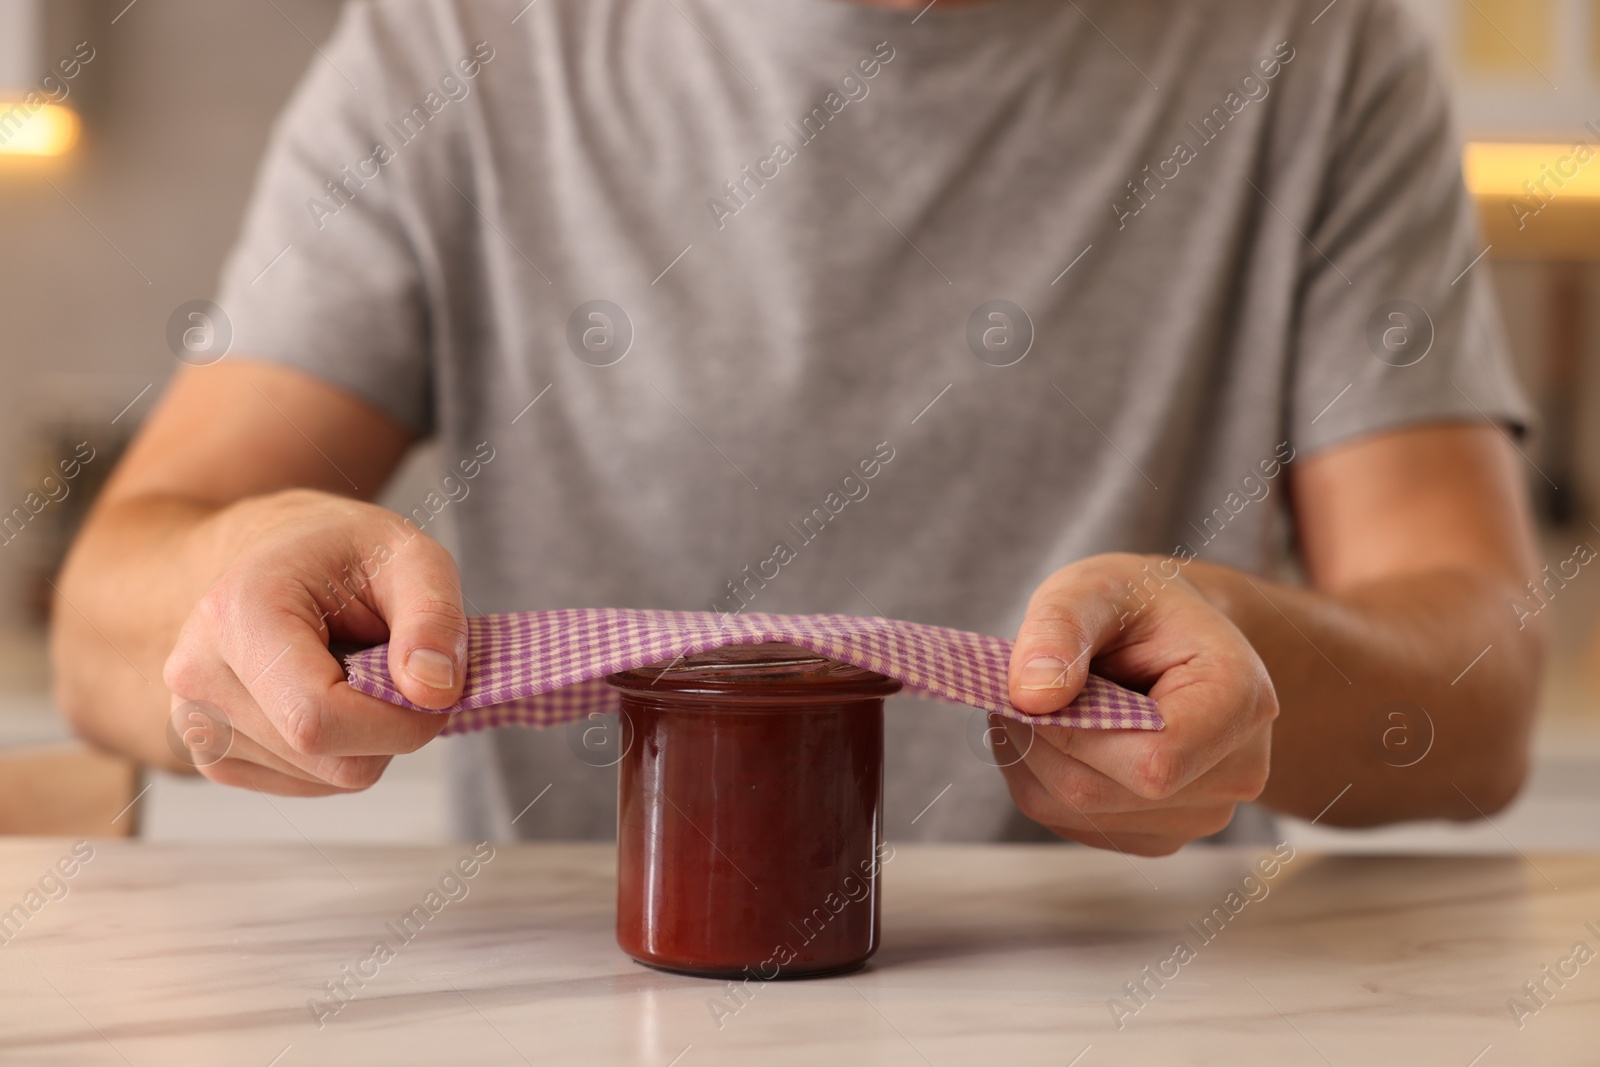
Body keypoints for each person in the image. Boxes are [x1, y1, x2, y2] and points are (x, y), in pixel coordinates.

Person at [52, 0, 1545, 855]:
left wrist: (1248, 656)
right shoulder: (456, 43)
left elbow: (1478, 703)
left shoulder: (1319, 51)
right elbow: (106, 627)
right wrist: (238, 579)